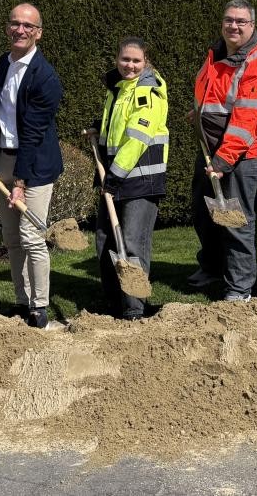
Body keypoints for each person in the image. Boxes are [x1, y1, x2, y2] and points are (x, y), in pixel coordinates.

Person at [0, 3, 63, 329]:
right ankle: (22, 301)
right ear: (8, 28)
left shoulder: (45, 77)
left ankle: (40, 306)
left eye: (28, 26)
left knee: (32, 236)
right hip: (3, 157)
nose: (21, 30)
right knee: (11, 237)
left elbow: (33, 132)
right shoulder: (4, 64)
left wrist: (21, 181)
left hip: (34, 165)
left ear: (38, 33)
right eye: (15, 24)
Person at [188, 0, 257, 302]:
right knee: (206, 212)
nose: (234, 26)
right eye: (229, 19)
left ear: (252, 26)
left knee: (236, 219)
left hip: (242, 153)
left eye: (241, 21)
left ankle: (239, 288)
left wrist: (224, 159)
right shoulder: (217, 54)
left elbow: (248, 120)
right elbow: (213, 95)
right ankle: (213, 267)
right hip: (211, 147)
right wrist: (199, 113)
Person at [91, 37, 169, 320]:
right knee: (105, 242)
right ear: (117, 59)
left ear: (145, 62)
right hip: (113, 176)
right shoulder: (118, 89)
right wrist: (98, 127)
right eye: (125, 59)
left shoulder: (148, 91)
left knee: (133, 243)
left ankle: (135, 308)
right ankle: (113, 304)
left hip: (139, 179)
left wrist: (114, 177)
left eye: (136, 61)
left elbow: (137, 138)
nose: (130, 65)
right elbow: (117, 128)